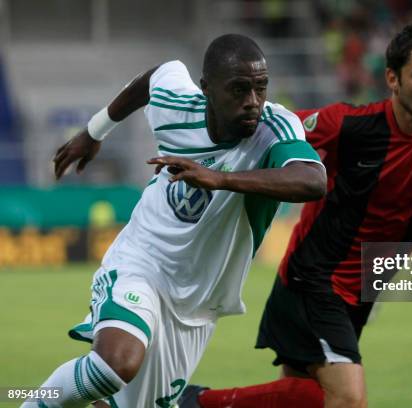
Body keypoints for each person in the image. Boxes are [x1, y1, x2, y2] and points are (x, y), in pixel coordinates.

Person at [180, 22, 412, 408]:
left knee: (309, 400)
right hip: (314, 281)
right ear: (392, 78)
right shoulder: (351, 126)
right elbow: (269, 129)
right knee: (348, 400)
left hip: (358, 293)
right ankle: (198, 402)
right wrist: (202, 154)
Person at [22, 34, 327, 408]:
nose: (253, 102)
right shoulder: (177, 106)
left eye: (260, 88)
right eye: (239, 89)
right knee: (113, 365)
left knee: (120, 402)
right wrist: (94, 131)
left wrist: (222, 179)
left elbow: (313, 180)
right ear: (207, 90)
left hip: (198, 305)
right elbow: (155, 78)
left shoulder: (274, 128)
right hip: (142, 263)